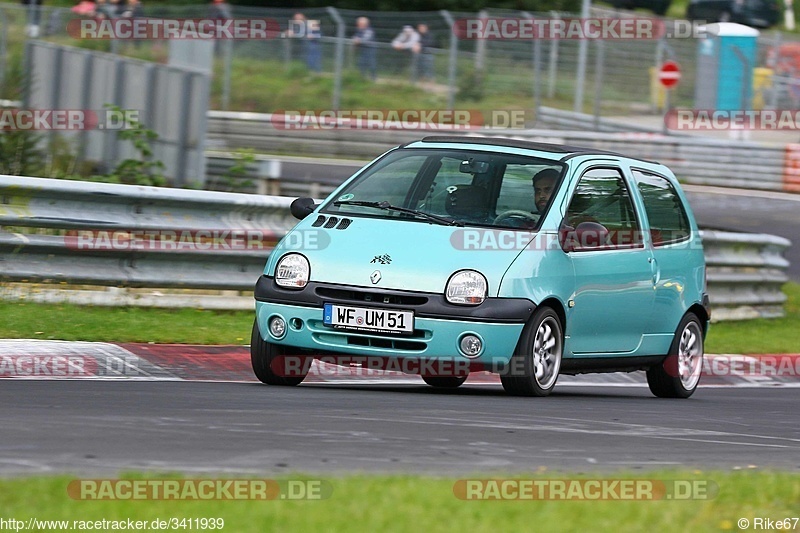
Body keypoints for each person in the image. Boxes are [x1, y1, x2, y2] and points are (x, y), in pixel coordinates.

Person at [352, 16, 376, 81]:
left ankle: (373, 78)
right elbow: (355, 38)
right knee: (361, 63)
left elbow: (366, 39)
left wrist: (358, 40)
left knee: (371, 64)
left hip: (370, 49)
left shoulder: (369, 30)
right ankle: (362, 77)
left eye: (360, 24)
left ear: (365, 24)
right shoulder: (359, 30)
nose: (358, 25)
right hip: (363, 50)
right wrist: (356, 40)